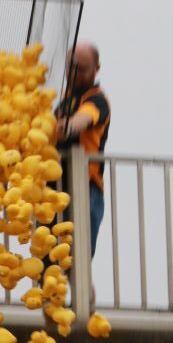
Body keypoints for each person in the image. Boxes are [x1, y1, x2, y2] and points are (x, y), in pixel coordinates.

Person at [55, 41, 111, 257]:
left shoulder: (97, 100)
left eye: (81, 69)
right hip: (55, 190)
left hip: (85, 189)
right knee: (48, 262)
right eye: (71, 67)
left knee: (77, 259)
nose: (74, 73)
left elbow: (85, 118)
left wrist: (68, 127)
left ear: (96, 68)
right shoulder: (64, 101)